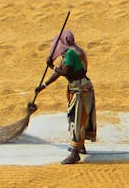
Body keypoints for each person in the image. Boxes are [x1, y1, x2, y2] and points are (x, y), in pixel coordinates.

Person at [34, 29, 96, 164]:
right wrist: (43, 86)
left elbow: (66, 72)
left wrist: (52, 66)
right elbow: (60, 73)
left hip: (80, 90)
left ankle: (75, 153)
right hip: (83, 88)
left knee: (77, 119)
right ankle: (80, 147)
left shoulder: (70, 54)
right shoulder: (77, 51)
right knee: (80, 119)